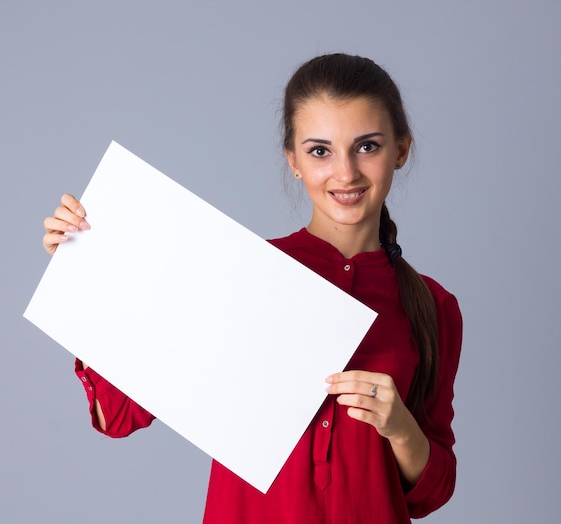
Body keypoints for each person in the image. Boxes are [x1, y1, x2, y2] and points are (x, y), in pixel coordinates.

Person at [42, 53, 462, 523]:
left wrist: (400, 427)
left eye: (367, 146)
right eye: (320, 150)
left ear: (401, 150)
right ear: (294, 161)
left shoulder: (433, 306)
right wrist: (87, 271)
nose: (345, 173)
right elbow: (115, 415)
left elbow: (431, 492)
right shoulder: (237, 274)